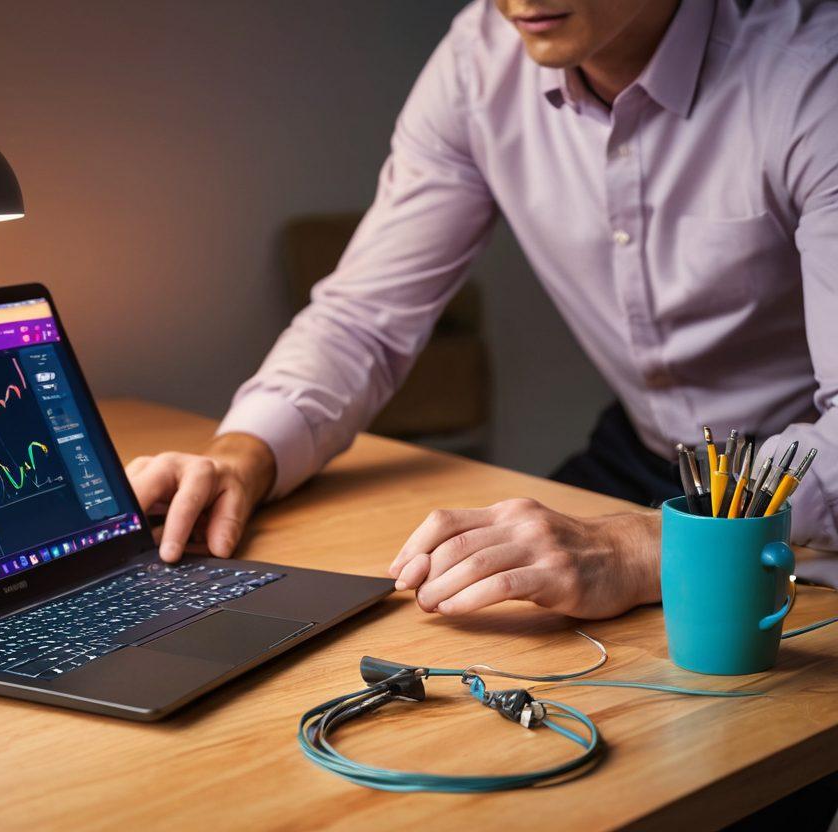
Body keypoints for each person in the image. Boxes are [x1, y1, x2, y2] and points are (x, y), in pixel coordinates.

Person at [127, 0, 838, 620]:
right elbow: (361, 320)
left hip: (809, 487)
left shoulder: (813, 80)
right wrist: (242, 456)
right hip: (648, 455)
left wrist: (645, 544)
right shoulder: (479, 61)